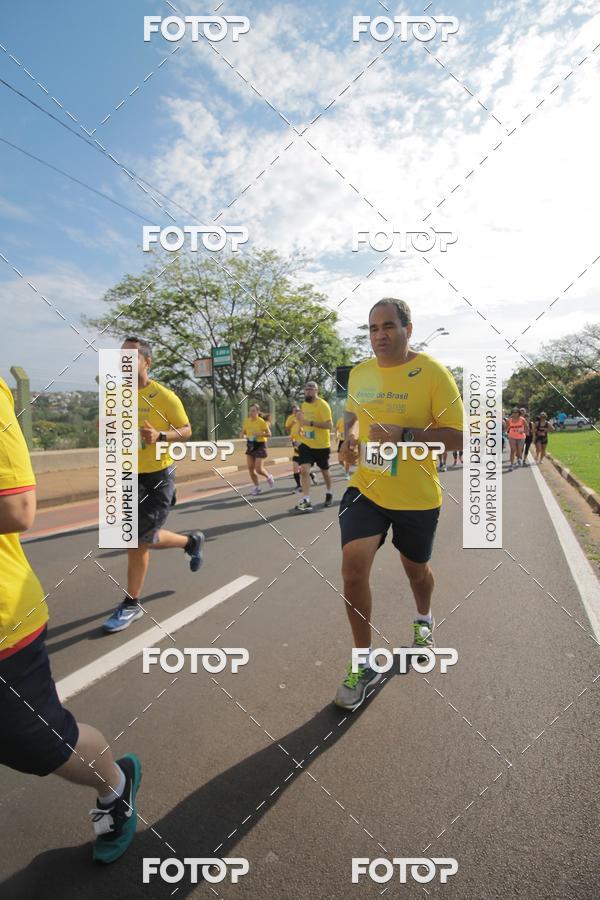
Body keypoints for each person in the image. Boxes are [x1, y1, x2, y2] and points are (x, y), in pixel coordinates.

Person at [0, 376, 141, 863]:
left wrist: (160, 440)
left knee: (35, 742)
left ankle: (115, 785)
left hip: (4, 623)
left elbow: (17, 508)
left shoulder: (160, 396)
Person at [335, 298, 463, 710]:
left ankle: (423, 619)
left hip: (416, 496)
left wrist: (406, 434)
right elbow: (352, 417)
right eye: (372, 329)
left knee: (416, 570)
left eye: (388, 326)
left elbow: (459, 438)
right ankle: (363, 662)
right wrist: (346, 442)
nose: (379, 336)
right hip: (367, 488)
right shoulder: (359, 373)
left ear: (408, 328)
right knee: (353, 570)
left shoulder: (432, 374)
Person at [103, 338, 204, 633]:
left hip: (157, 476)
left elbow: (186, 430)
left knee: (136, 540)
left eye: (130, 356)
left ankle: (131, 604)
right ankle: (190, 541)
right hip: (127, 474)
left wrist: (160, 436)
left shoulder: (165, 396)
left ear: (147, 362)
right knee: (141, 536)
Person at [294, 381, 334, 511]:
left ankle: (329, 492)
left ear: (316, 391)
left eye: (311, 390)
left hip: (322, 445)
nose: (308, 392)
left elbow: (329, 425)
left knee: (325, 472)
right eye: (306, 389)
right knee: (304, 470)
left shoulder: (323, 405)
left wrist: (310, 423)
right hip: (307, 444)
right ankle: (306, 499)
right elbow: (302, 422)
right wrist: (300, 434)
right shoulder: (304, 405)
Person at [242, 403, 274, 496]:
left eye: (253, 411)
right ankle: (257, 487)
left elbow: (269, 434)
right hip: (251, 445)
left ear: (258, 412)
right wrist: (243, 435)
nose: (251, 412)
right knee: (250, 468)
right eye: (250, 410)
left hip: (260, 445)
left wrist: (260, 434)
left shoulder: (261, 421)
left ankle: (268, 477)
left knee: (259, 469)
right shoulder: (247, 422)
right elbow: (244, 432)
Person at [336, 414, 351, 479]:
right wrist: (337, 435)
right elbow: (337, 429)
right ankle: (343, 467)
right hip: (341, 441)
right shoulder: (340, 420)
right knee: (340, 460)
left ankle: (347, 473)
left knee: (347, 458)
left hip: (348, 441)